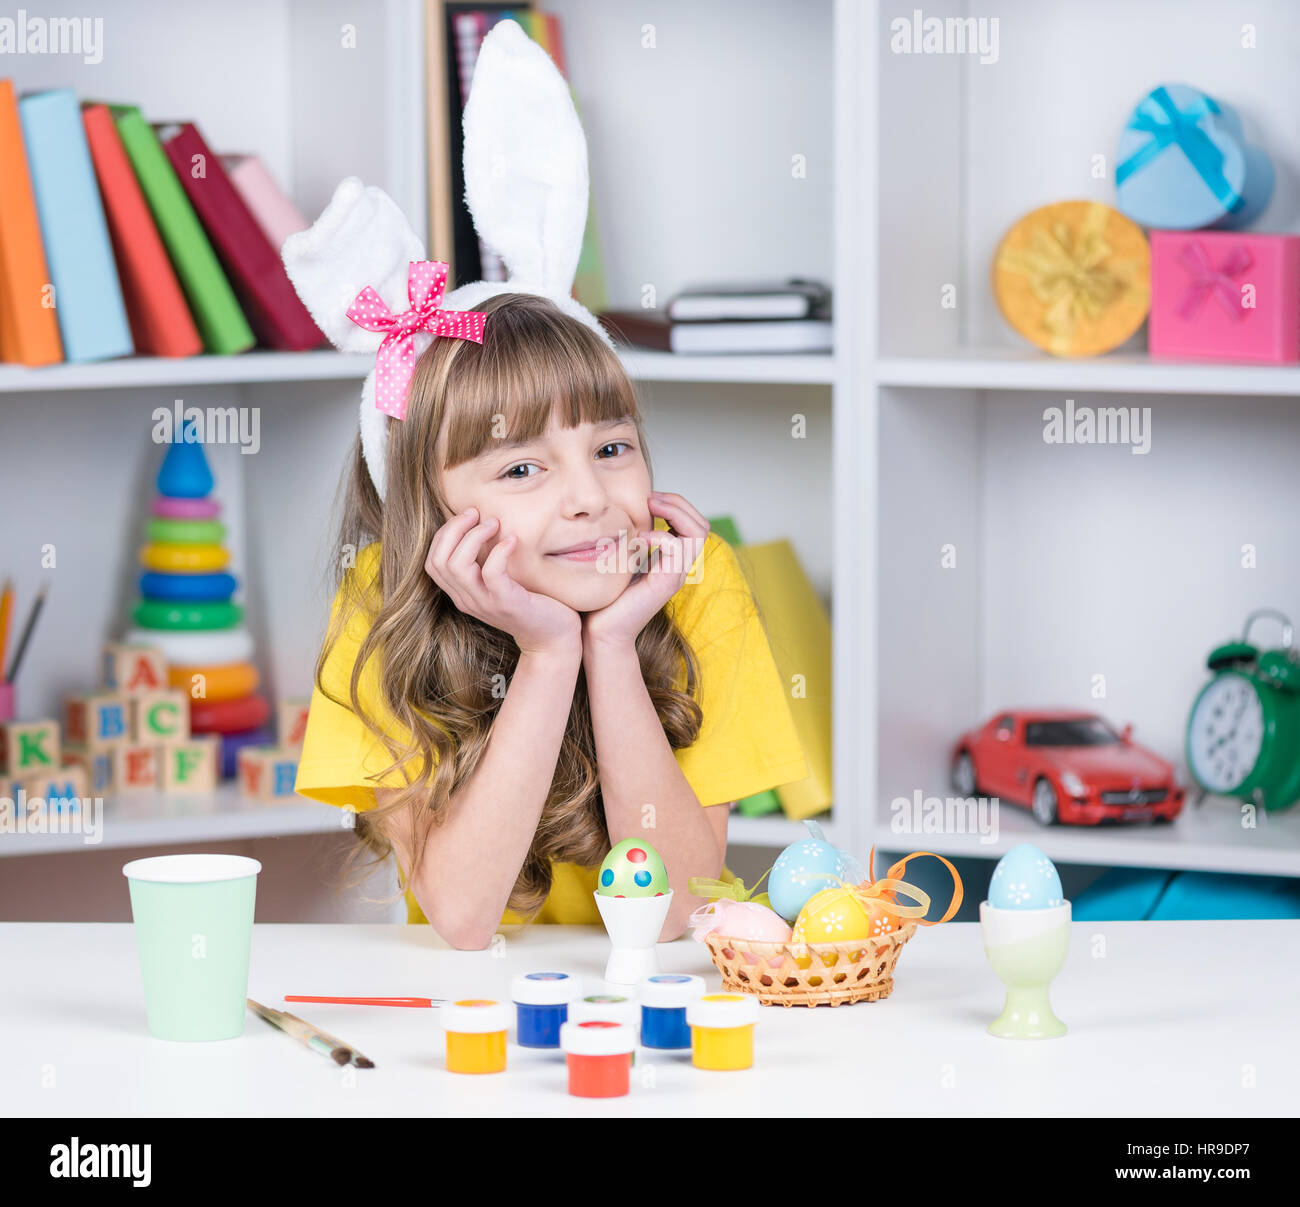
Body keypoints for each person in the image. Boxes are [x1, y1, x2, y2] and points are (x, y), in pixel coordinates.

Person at [293, 288, 808, 948]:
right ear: (434, 512)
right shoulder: (383, 601)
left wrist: (614, 644)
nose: (590, 498)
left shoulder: (693, 579)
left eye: (612, 449)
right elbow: (465, 915)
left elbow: (676, 908)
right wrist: (549, 652)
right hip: (477, 1006)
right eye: (523, 467)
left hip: (655, 989)